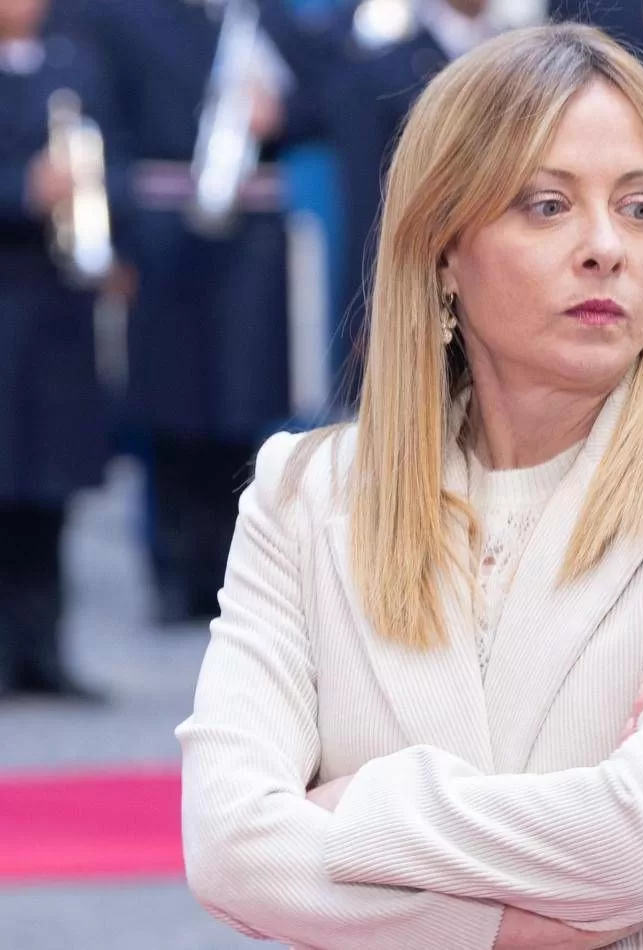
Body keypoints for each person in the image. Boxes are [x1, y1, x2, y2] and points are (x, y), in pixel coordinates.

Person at [177, 24, 643, 949]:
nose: (606, 246)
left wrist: (358, 807)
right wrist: (514, 920)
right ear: (444, 248)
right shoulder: (303, 492)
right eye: (547, 205)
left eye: (640, 207)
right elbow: (230, 849)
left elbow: (639, 845)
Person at [79, 0, 332, 624]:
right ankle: (171, 569)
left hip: (250, 240)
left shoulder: (268, 20)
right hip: (163, 234)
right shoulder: (128, 20)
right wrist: (122, 236)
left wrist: (281, 114)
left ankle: (231, 572)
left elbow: (331, 97)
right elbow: (106, 122)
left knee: (242, 411)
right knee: (168, 411)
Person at [0, 0, 119, 701]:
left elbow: (112, 155)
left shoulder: (75, 67)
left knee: (49, 486)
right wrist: (23, 190)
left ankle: (44, 649)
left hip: (56, 305)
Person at [326, 0, 499, 405]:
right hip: (422, 289)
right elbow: (369, 204)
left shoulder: (528, 55)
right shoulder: (386, 65)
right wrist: (368, 306)